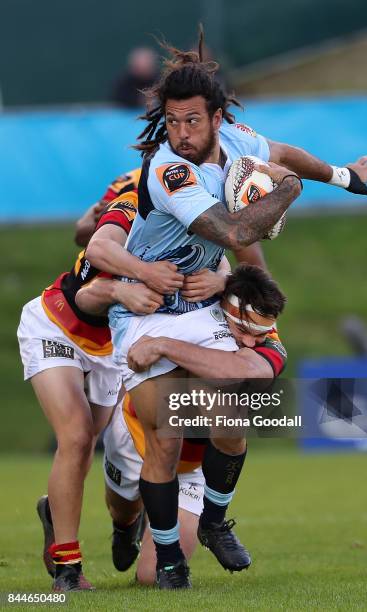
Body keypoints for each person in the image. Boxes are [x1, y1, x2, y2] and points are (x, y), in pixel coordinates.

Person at [85, 31, 367, 589]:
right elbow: (236, 229)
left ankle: (217, 519)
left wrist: (343, 177)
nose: (181, 133)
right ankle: (169, 557)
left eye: (192, 121)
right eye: (172, 122)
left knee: (235, 412)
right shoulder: (170, 171)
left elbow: (284, 154)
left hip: (201, 303)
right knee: (169, 433)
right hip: (145, 312)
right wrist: (288, 190)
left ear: (218, 117)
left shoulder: (240, 141)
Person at [17, 174, 181, 592]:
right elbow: (84, 293)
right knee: (75, 438)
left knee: (108, 448)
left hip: (113, 351)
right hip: (56, 326)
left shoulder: (192, 220)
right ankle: (68, 569)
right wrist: (116, 291)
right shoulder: (130, 205)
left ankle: (121, 522)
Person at [100, 265, 287, 585]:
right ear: (226, 308)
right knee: (122, 509)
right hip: (137, 438)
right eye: (244, 332)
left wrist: (164, 346)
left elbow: (238, 371)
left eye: (260, 335)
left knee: (148, 578)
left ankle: (211, 524)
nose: (253, 342)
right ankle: (126, 527)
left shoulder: (262, 332)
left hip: (196, 463)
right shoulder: (192, 316)